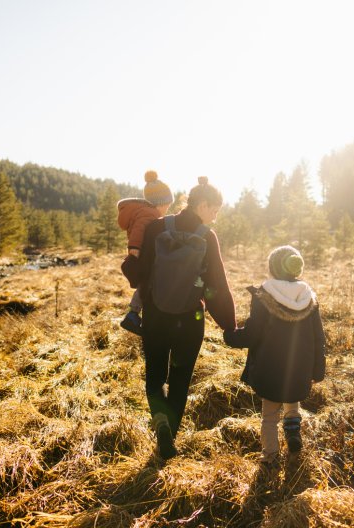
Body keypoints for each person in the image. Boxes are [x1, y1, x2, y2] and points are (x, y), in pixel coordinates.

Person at [128, 176, 236, 460]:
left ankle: (161, 424)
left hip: (156, 316)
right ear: (202, 205)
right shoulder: (207, 236)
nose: (215, 216)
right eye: (214, 210)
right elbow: (217, 287)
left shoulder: (156, 228)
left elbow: (140, 273)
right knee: (180, 381)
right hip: (190, 320)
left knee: (155, 376)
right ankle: (168, 439)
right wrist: (230, 326)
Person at [223, 245, 326, 466]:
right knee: (292, 402)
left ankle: (270, 457)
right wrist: (318, 370)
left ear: (273, 268)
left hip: (269, 367)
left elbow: (253, 333)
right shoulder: (308, 297)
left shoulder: (264, 295)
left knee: (269, 417)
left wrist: (231, 336)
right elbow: (319, 337)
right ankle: (293, 434)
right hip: (299, 368)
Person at [116, 170, 173, 335]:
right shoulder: (149, 213)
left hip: (143, 254)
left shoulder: (147, 212)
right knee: (147, 283)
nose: (167, 209)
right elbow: (139, 231)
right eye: (167, 205)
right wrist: (134, 250)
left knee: (146, 283)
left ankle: (134, 314)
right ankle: (132, 315)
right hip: (142, 255)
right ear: (159, 203)